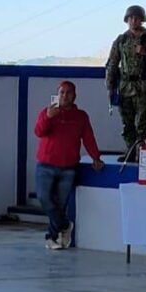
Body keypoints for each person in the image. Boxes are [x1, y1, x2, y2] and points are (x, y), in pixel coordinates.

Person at [35, 81, 104, 250]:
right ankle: (65, 226)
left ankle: (52, 237)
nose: (65, 96)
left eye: (69, 93)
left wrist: (96, 157)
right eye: (62, 92)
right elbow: (38, 131)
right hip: (46, 164)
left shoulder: (81, 116)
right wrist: (48, 118)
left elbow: (88, 137)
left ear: (74, 96)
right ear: (57, 94)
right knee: (44, 198)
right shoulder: (47, 112)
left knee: (60, 203)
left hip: (68, 167)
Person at [105, 4, 146, 160]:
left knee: (141, 122)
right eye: (130, 18)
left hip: (144, 86)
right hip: (125, 86)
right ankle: (131, 151)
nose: (133, 21)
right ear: (126, 20)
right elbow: (112, 64)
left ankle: (142, 153)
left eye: (136, 18)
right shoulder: (121, 40)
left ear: (142, 19)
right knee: (127, 123)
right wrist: (110, 86)